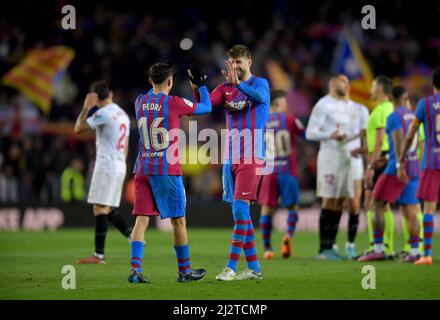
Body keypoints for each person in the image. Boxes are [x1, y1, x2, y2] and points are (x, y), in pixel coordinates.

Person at [128, 61, 212, 283]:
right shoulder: (174, 103)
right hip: (166, 169)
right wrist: (200, 86)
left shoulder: (139, 101)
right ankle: (184, 272)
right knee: (178, 221)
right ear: (171, 82)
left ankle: (136, 271)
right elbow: (206, 107)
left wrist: (156, 82)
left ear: (150, 81)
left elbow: (152, 92)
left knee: (142, 221)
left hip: (142, 168)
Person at [193, 44, 270, 281]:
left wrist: (239, 84)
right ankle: (254, 268)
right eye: (232, 62)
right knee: (241, 212)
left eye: (239, 62)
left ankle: (230, 267)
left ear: (249, 63)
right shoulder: (225, 88)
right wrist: (199, 86)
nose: (235, 66)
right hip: (230, 157)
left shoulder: (260, 84)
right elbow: (204, 105)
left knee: (239, 209)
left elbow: (259, 98)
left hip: (252, 155)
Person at [358, 86, 422, 262]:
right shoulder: (412, 115)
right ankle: (415, 251)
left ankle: (379, 248)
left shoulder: (394, 117)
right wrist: (387, 157)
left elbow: (400, 140)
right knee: (411, 209)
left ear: (391, 99)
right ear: (405, 97)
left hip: (397, 167)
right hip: (414, 164)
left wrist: (399, 164)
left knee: (376, 201)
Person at [74, 82, 132, 264]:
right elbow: (127, 146)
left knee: (100, 207)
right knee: (108, 207)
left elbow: (78, 129)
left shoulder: (102, 113)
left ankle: (99, 255)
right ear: (111, 94)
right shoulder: (123, 114)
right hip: (120, 164)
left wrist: (86, 108)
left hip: (106, 165)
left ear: (96, 98)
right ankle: (133, 237)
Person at [306, 74, 359, 260]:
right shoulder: (324, 104)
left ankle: (331, 247)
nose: (347, 84)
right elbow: (310, 132)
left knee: (338, 201)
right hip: (329, 157)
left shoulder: (346, 107)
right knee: (329, 201)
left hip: (344, 159)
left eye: (347, 81)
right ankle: (323, 249)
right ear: (332, 83)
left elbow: (345, 134)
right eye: (343, 81)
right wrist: (331, 135)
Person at [257, 89, 305, 259]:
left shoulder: (260, 122)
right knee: (292, 207)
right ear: (278, 103)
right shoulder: (290, 120)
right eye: (285, 102)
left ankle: (268, 249)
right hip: (287, 170)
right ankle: (288, 235)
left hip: (269, 171)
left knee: (267, 209)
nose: (287, 106)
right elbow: (306, 134)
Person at [399, 66, 440, 265]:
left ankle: (427, 254)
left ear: (433, 84)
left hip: (432, 162)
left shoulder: (425, 104)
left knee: (428, 209)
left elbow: (411, 133)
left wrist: (402, 155)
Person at [363, 76, 395, 258]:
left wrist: (370, 166)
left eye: (373, 86)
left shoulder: (382, 110)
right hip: (384, 158)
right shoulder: (389, 108)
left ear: (381, 88)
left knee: (373, 204)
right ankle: (387, 247)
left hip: (379, 160)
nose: (371, 90)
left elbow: (380, 140)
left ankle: (377, 247)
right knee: (384, 206)